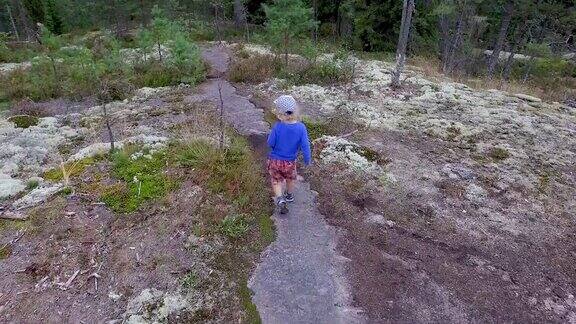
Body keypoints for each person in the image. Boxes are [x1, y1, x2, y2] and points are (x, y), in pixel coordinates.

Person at [267, 95, 311, 214]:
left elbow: (270, 142)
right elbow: (305, 146)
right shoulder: (301, 128)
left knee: (276, 180)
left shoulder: (278, 127)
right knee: (290, 178)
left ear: (281, 114)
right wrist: (307, 159)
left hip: (275, 160)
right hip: (290, 162)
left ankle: (280, 198)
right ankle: (289, 195)